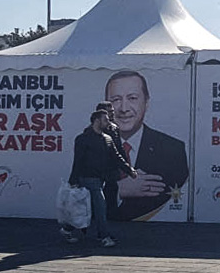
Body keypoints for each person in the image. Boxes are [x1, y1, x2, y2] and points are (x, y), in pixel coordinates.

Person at [105, 71, 189, 221]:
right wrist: (118, 190)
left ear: (146, 103)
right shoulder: (90, 144)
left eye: (132, 98)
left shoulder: (173, 149)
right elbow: (79, 194)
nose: (124, 108)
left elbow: (170, 199)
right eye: (116, 100)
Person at [67, 110, 137, 247]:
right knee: (100, 206)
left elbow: (117, 158)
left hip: (100, 178)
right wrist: (73, 180)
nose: (109, 123)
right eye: (105, 120)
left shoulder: (107, 139)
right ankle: (104, 236)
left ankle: (67, 229)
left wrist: (129, 170)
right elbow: (78, 161)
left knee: (85, 208)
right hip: (87, 178)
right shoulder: (83, 139)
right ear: (97, 121)